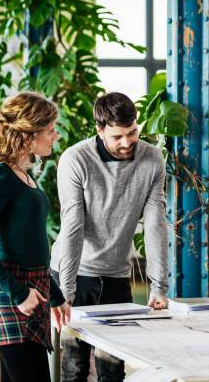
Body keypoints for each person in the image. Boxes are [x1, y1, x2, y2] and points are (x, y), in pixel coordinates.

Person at [50, 92, 169, 381]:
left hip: (116, 277)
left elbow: (155, 223)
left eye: (133, 133)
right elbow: (73, 225)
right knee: (74, 366)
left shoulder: (152, 158)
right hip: (74, 274)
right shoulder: (75, 159)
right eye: (117, 136)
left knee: (113, 368)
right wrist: (66, 291)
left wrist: (159, 286)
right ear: (99, 129)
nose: (127, 143)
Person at [0, 92, 71, 382]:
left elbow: (30, 249)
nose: (56, 136)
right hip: (10, 295)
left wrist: (56, 297)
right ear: (28, 135)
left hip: (32, 291)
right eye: (50, 130)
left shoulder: (23, 173)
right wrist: (19, 292)